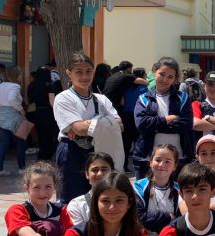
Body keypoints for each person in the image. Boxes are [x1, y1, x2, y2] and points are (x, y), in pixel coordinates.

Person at [54, 53, 121, 203]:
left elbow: (119, 124)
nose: (84, 76)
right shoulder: (64, 98)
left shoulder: (101, 99)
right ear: (69, 73)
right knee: (71, 199)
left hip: (98, 150)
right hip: (72, 151)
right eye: (79, 72)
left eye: (88, 71)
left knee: (100, 195)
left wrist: (90, 123)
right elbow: (79, 129)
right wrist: (104, 122)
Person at [133, 57, 194, 178]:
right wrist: (167, 119)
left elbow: (186, 124)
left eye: (170, 77)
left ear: (175, 79)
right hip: (147, 158)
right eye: (162, 74)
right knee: (147, 189)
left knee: (176, 190)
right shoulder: (143, 98)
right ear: (154, 72)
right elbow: (142, 124)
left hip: (179, 159)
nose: (165, 79)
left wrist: (155, 126)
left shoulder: (183, 97)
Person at [0, 65, 28, 177]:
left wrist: (1, 109)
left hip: (1, 118)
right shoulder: (15, 86)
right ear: (17, 75)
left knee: (3, 144)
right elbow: (11, 99)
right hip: (15, 117)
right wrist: (21, 110)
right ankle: (22, 168)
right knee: (21, 143)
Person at [66, 152, 114, 225]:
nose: (100, 174)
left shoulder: (123, 200)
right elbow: (78, 231)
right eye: (95, 170)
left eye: (104, 169)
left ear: (113, 173)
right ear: (87, 174)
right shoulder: (77, 205)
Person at [27, 66, 59, 160]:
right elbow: (52, 101)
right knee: (51, 134)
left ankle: (42, 154)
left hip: (36, 112)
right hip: (48, 112)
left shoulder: (32, 85)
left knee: (41, 134)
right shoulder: (49, 85)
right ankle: (48, 153)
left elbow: (29, 99)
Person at [121, 67, 148, 172]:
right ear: (143, 75)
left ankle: (124, 165)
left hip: (126, 116)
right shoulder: (144, 88)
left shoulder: (126, 87)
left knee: (126, 143)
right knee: (139, 142)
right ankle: (139, 165)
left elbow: (122, 101)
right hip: (138, 116)